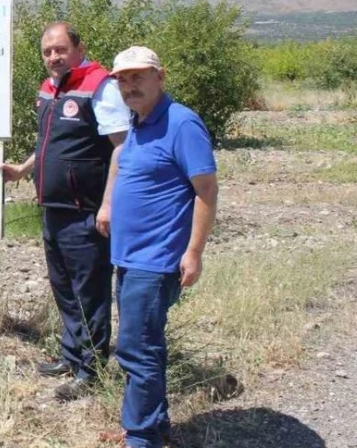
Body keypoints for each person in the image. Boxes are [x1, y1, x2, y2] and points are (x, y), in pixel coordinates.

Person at [0, 21, 130, 401]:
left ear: (79, 47)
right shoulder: (50, 88)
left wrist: (108, 204)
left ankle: (90, 370)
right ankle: (71, 356)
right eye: (47, 52)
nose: (53, 57)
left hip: (85, 210)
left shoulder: (100, 87)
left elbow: (122, 149)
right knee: (64, 289)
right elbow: (49, 142)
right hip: (52, 207)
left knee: (89, 291)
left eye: (60, 49)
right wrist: (23, 169)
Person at [104, 46, 218, 448]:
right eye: (122, 78)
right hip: (129, 256)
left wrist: (194, 252)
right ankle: (157, 425)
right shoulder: (139, 122)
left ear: (160, 76)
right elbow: (124, 162)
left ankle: (140, 436)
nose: (129, 85)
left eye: (138, 76)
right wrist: (107, 207)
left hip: (156, 260)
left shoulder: (182, 123)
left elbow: (205, 189)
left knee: (136, 349)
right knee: (145, 344)